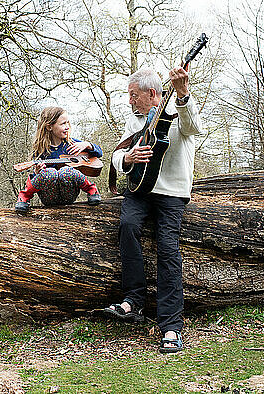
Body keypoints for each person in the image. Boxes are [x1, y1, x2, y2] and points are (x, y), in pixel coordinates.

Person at [104, 67, 203, 353]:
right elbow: (117, 154)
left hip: (172, 193)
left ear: (151, 94)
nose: (130, 101)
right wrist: (128, 158)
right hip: (140, 190)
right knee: (128, 226)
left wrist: (183, 93)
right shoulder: (134, 119)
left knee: (168, 249)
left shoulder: (177, 110)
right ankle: (132, 300)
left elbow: (193, 127)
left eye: (134, 96)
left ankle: (171, 327)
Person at [15, 106, 102, 213]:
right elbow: (35, 177)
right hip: (49, 196)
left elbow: (99, 153)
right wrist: (37, 172)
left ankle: (91, 190)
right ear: (49, 127)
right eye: (63, 124)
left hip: (69, 194)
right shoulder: (41, 150)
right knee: (50, 172)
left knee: (66, 171)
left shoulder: (72, 144)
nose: (67, 127)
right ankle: (24, 197)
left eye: (67, 123)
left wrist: (87, 145)